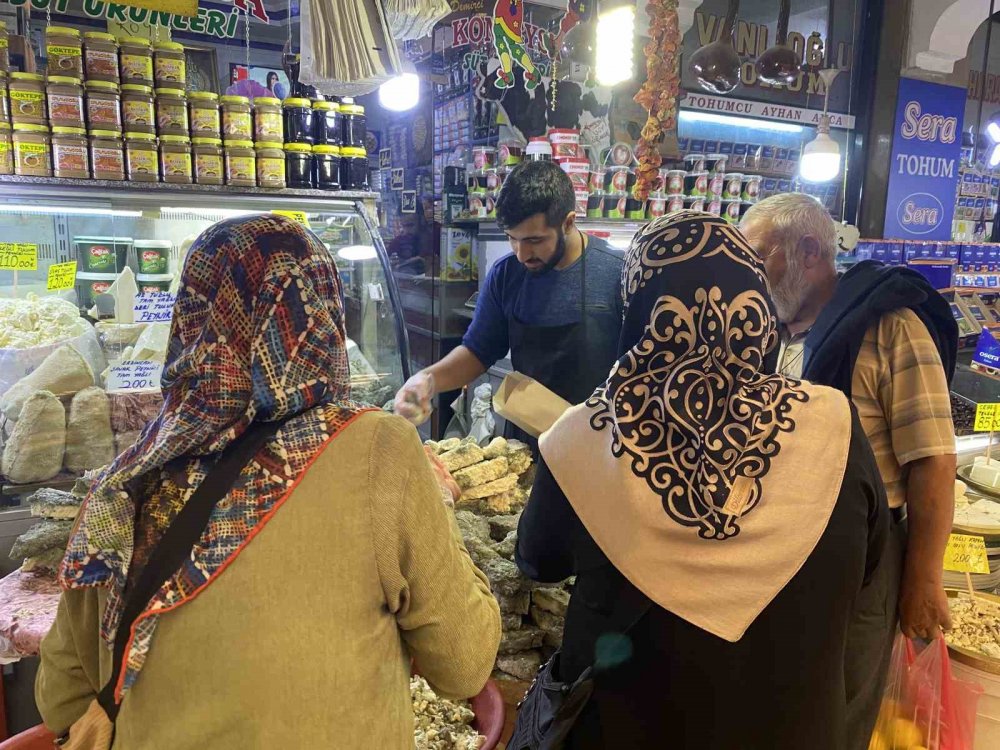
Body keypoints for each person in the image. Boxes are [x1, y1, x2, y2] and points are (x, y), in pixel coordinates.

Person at [35, 214, 500, 747]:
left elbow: (60, 699)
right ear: (322, 315)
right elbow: (464, 666)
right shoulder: (380, 449)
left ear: (193, 315)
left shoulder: (130, 476)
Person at [514, 211, 888, 749]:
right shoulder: (832, 421)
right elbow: (869, 566)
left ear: (640, 311)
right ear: (755, 304)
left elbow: (539, 559)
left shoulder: (586, 434)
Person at [739, 193, 957, 750]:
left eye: (761, 257)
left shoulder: (891, 327)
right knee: (785, 703)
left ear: (809, 250)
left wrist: (923, 579)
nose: (750, 272)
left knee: (841, 705)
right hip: (781, 552)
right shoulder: (773, 334)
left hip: (866, 559)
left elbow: (933, 460)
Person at [394, 159, 624, 440]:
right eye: (512, 239)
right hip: (530, 436)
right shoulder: (507, 275)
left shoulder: (618, 273)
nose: (521, 254)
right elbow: (478, 351)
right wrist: (427, 380)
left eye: (535, 241)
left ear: (568, 223)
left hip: (602, 443)